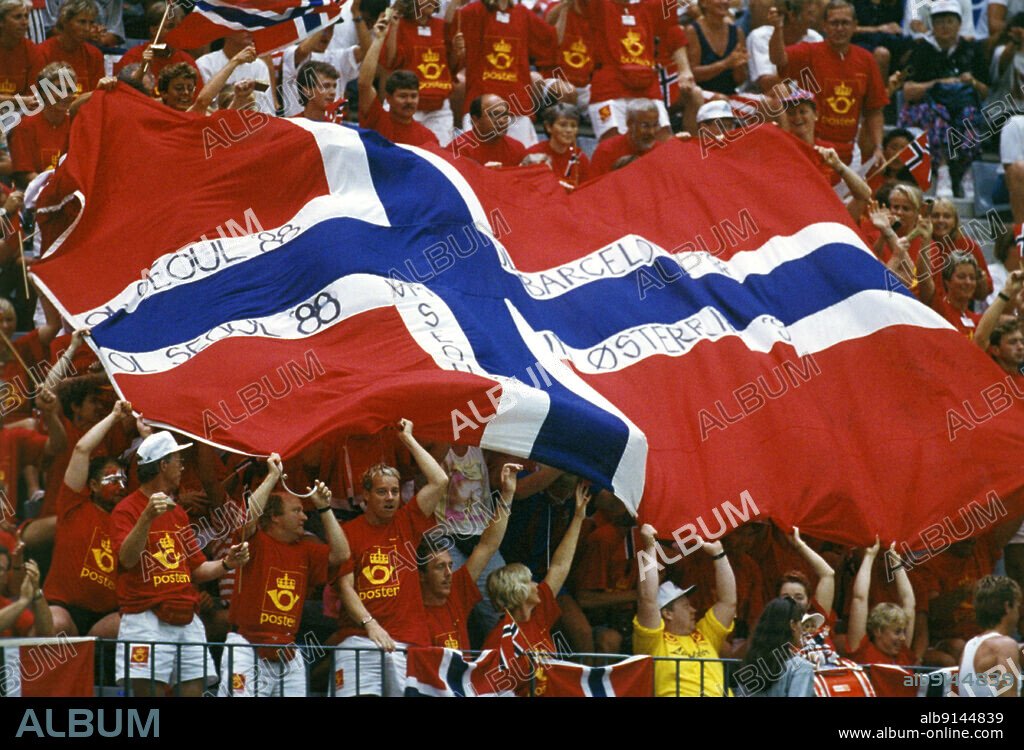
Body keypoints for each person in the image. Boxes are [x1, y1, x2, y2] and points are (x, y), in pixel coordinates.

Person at [110, 431, 249, 697]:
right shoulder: (126, 510)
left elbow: (196, 569)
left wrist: (227, 563)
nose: (182, 468)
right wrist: (147, 517)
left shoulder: (178, 513)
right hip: (145, 618)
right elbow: (127, 559)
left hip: (187, 617)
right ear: (163, 465)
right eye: (178, 461)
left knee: (193, 690)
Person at [334, 418, 447, 697]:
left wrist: (408, 439)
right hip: (360, 639)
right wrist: (370, 624)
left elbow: (440, 480)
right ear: (366, 495)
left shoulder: (408, 520)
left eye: (395, 491)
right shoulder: (347, 532)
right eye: (382, 491)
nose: (390, 497)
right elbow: (345, 586)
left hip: (408, 641)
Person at [221, 455, 347, 697]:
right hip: (246, 645)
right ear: (275, 516)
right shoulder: (256, 542)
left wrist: (325, 508)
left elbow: (341, 554)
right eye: (297, 511)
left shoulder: (306, 550)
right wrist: (273, 477)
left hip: (287, 648)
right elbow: (247, 520)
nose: (304, 517)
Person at [481, 480, 590, 696]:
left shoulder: (538, 614)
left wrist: (578, 518)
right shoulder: (498, 640)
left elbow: (559, 566)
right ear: (518, 592)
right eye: (530, 581)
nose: (536, 584)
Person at [44, 399, 132, 639]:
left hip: (105, 617)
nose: (122, 487)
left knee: (134, 625)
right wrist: (114, 417)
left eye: (124, 481)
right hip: (64, 608)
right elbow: (82, 449)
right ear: (92, 485)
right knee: (55, 624)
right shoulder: (73, 504)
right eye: (113, 480)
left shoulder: (127, 520)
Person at [769, 0, 889, 167]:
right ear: (824, 25)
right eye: (834, 23)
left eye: (845, 23)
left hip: (850, 151)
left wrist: (878, 147)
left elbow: (874, 109)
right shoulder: (809, 52)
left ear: (854, 25)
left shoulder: (866, 59)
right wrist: (777, 28)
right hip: (813, 147)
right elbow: (778, 59)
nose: (839, 28)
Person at [419, 462, 520, 649]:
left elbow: (488, 546)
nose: (449, 573)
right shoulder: (411, 610)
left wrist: (507, 494)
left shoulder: (456, 594)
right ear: (421, 575)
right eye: (440, 567)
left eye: (450, 565)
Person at [634, 522, 737, 697]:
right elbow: (647, 600)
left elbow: (728, 603)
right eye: (686, 605)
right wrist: (650, 547)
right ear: (667, 613)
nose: (694, 610)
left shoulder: (705, 634)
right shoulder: (652, 642)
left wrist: (719, 554)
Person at [898, 0, 988, 198]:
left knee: (970, 115)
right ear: (932, 25)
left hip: (961, 105)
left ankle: (967, 172)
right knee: (938, 115)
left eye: (950, 21)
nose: (945, 26)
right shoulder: (921, 50)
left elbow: (985, 92)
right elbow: (907, 91)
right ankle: (942, 169)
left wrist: (972, 81)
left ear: (959, 24)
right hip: (925, 106)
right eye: (939, 22)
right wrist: (938, 83)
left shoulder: (971, 49)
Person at [576, 0, 695, 141]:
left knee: (663, 141)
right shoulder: (598, 5)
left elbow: (673, 31)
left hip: (647, 85)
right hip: (609, 87)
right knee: (613, 142)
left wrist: (685, 70)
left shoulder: (651, 6)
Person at [455, 0, 559, 147]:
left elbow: (552, 40)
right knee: (474, 158)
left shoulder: (523, 14)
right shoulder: (474, 11)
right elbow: (449, 29)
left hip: (517, 103)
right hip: (481, 102)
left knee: (523, 158)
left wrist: (566, 6)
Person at [358, 14, 440, 147]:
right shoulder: (377, 118)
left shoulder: (428, 137)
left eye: (413, 96)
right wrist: (378, 39)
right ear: (388, 98)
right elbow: (364, 84)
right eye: (403, 96)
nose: (409, 101)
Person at [385, 0, 458, 145]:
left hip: (438, 107)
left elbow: (452, 66)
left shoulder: (441, 25)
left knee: (439, 153)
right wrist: (393, 29)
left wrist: (457, 50)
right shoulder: (399, 24)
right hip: (406, 103)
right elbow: (390, 61)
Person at [846, 539, 917, 665]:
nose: (903, 638)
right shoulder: (862, 651)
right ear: (878, 631)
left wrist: (896, 562)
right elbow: (859, 598)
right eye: (897, 632)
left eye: (903, 632)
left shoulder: (903, 654)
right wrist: (869, 556)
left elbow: (909, 602)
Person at [9, 61, 75, 189]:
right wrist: (51, 189)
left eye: (70, 90)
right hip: (34, 193)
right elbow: (24, 175)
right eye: (59, 89)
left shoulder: (76, 125)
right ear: (44, 92)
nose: (66, 95)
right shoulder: (26, 127)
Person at [735, 597, 815, 696]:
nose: (803, 630)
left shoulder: (751, 663)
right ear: (793, 625)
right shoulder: (801, 668)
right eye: (801, 623)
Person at [112, 3, 202, 91]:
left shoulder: (186, 60)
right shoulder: (133, 56)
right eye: (170, 26)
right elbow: (123, 93)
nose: (176, 32)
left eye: (180, 27)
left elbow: (197, 96)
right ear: (154, 30)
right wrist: (142, 69)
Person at [958, 575, 1022, 697]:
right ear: (1007, 607)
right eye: (1017, 607)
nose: (1018, 614)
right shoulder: (1006, 645)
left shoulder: (968, 646)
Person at [281, 24, 360, 118]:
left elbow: (364, 53)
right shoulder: (291, 52)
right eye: (326, 86)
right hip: (296, 123)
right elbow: (302, 51)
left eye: (330, 29)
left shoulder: (337, 57)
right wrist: (321, 21)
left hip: (329, 123)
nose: (325, 34)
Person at [747, 0, 822, 93]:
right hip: (763, 97)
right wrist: (803, 75)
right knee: (781, 90)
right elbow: (766, 83)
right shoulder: (759, 36)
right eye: (809, 13)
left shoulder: (815, 37)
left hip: (806, 96)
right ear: (792, 16)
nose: (813, 20)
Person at [195, 31, 274, 115]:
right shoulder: (205, 64)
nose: (248, 30)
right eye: (241, 27)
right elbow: (201, 106)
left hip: (253, 119)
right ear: (226, 30)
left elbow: (267, 108)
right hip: (217, 120)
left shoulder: (260, 66)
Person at [929, 197, 992, 299]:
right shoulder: (920, 244)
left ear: (955, 221)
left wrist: (981, 282)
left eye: (947, 216)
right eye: (935, 216)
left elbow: (987, 287)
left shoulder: (968, 245)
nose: (941, 220)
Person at [35, 0, 102, 93]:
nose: (87, 28)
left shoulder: (94, 55)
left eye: (91, 23)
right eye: (82, 22)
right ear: (65, 22)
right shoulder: (42, 52)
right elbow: (40, 95)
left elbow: (97, 94)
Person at [687, 0, 748, 95]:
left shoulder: (737, 32)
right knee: (721, 100)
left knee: (768, 101)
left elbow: (740, 81)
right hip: (700, 94)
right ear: (704, 3)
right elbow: (692, 74)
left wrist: (738, 67)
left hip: (730, 94)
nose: (724, 1)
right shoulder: (693, 31)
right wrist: (725, 64)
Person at [589, 98, 662, 176]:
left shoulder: (660, 151)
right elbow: (595, 183)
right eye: (645, 126)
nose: (651, 132)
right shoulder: (606, 151)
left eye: (655, 125)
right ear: (629, 124)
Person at [523, 102, 589, 188]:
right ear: (549, 127)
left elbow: (586, 190)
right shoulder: (534, 154)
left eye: (573, 126)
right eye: (563, 125)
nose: (569, 130)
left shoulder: (580, 157)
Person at [449, 93, 526, 166]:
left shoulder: (516, 148)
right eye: (494, 114)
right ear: (476, 120)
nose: (502, 121)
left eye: (505, 115)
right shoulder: (457, 149)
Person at [0, 0, 42, 110]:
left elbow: (33, 98)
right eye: (17, 17)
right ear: (2, 22)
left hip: (19, 112)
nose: (24, 22)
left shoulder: (32, 50)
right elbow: (27, 99)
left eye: (26, 17)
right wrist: (21, 100)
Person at [932, 251, 982, 339]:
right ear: (947, 281)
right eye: (961, 277)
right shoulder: (939, 310)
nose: (968, 282)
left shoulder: (979, 320)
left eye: (972, 278)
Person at [0, 558, 52, 635]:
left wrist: (36, 592)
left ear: (5, 577)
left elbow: (46, 635)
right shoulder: (19, 605)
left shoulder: (10, 607)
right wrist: (23, 601)